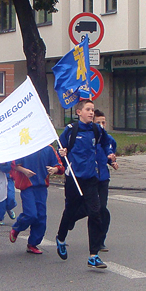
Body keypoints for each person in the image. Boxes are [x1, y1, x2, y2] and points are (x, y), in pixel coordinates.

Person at [56, 99, 116, 269]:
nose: (91, 112)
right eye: (88, 109)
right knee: (70, 210)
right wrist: (62, 153)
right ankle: (60, 238)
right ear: (79, 112)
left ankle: (93, 255)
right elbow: (61, 150)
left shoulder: (96, 129)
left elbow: (106, 143)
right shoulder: (70, 130)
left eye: (92, 109)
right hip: (74, 177)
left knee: (95, 213)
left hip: (91, 178)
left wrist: (110, 154)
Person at [9, 146, 64, 254]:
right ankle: (17, 228)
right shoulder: (24, 145)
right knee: (31, 214)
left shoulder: (48, 148)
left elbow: (60, 166)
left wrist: (55, 169)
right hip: (27, 185)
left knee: (41, 216)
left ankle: (32, 244)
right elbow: (13, 164)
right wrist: (24, 170)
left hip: (41, 186)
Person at [93, 109, 118, 252]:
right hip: (89, 178)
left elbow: (109, 154)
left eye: (103, 122)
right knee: (86, 209)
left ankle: (100, 239)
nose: (102, 125)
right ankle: (68, 223)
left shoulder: (108, 139)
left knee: (102, 208)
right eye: (98, 122)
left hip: (103, 178)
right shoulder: (90, 139)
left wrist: (112, 162)